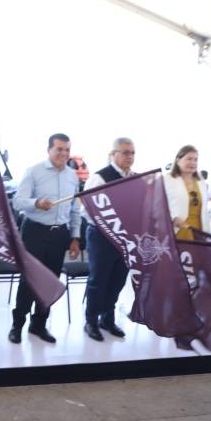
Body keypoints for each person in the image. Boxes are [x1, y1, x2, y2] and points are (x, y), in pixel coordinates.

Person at [10, 133, 81, 344]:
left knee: (50, 280)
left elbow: (74, 210)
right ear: (48, 149)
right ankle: (17, 325)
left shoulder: (73, 176)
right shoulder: (34, 171)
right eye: (59, 149)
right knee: (29, 280)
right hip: (35, 232)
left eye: (67, 150)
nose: (64, 153)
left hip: (59, 234)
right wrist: (37, 203)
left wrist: (75, 237)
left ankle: (39, 325)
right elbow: (18, 202)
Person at [82, 137, 136, 341]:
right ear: (113, 154)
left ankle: (107, 318)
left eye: (132, 153)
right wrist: (110, 225)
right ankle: (91, 321)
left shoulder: (136, 178)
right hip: (101, 237)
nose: (130, 156)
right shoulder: (100, 178)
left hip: (124, 239)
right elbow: (87, 210)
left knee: (117, 279)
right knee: (98, 280)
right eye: (125, 152)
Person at [163, 145, 210, 241]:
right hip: (178, 230)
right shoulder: (167, 180)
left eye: (195, 160)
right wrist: (173, 218)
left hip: (199, 231)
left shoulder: (201, 181)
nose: (193, 163)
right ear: (178, 160)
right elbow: (158, 206)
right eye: (189, 159)